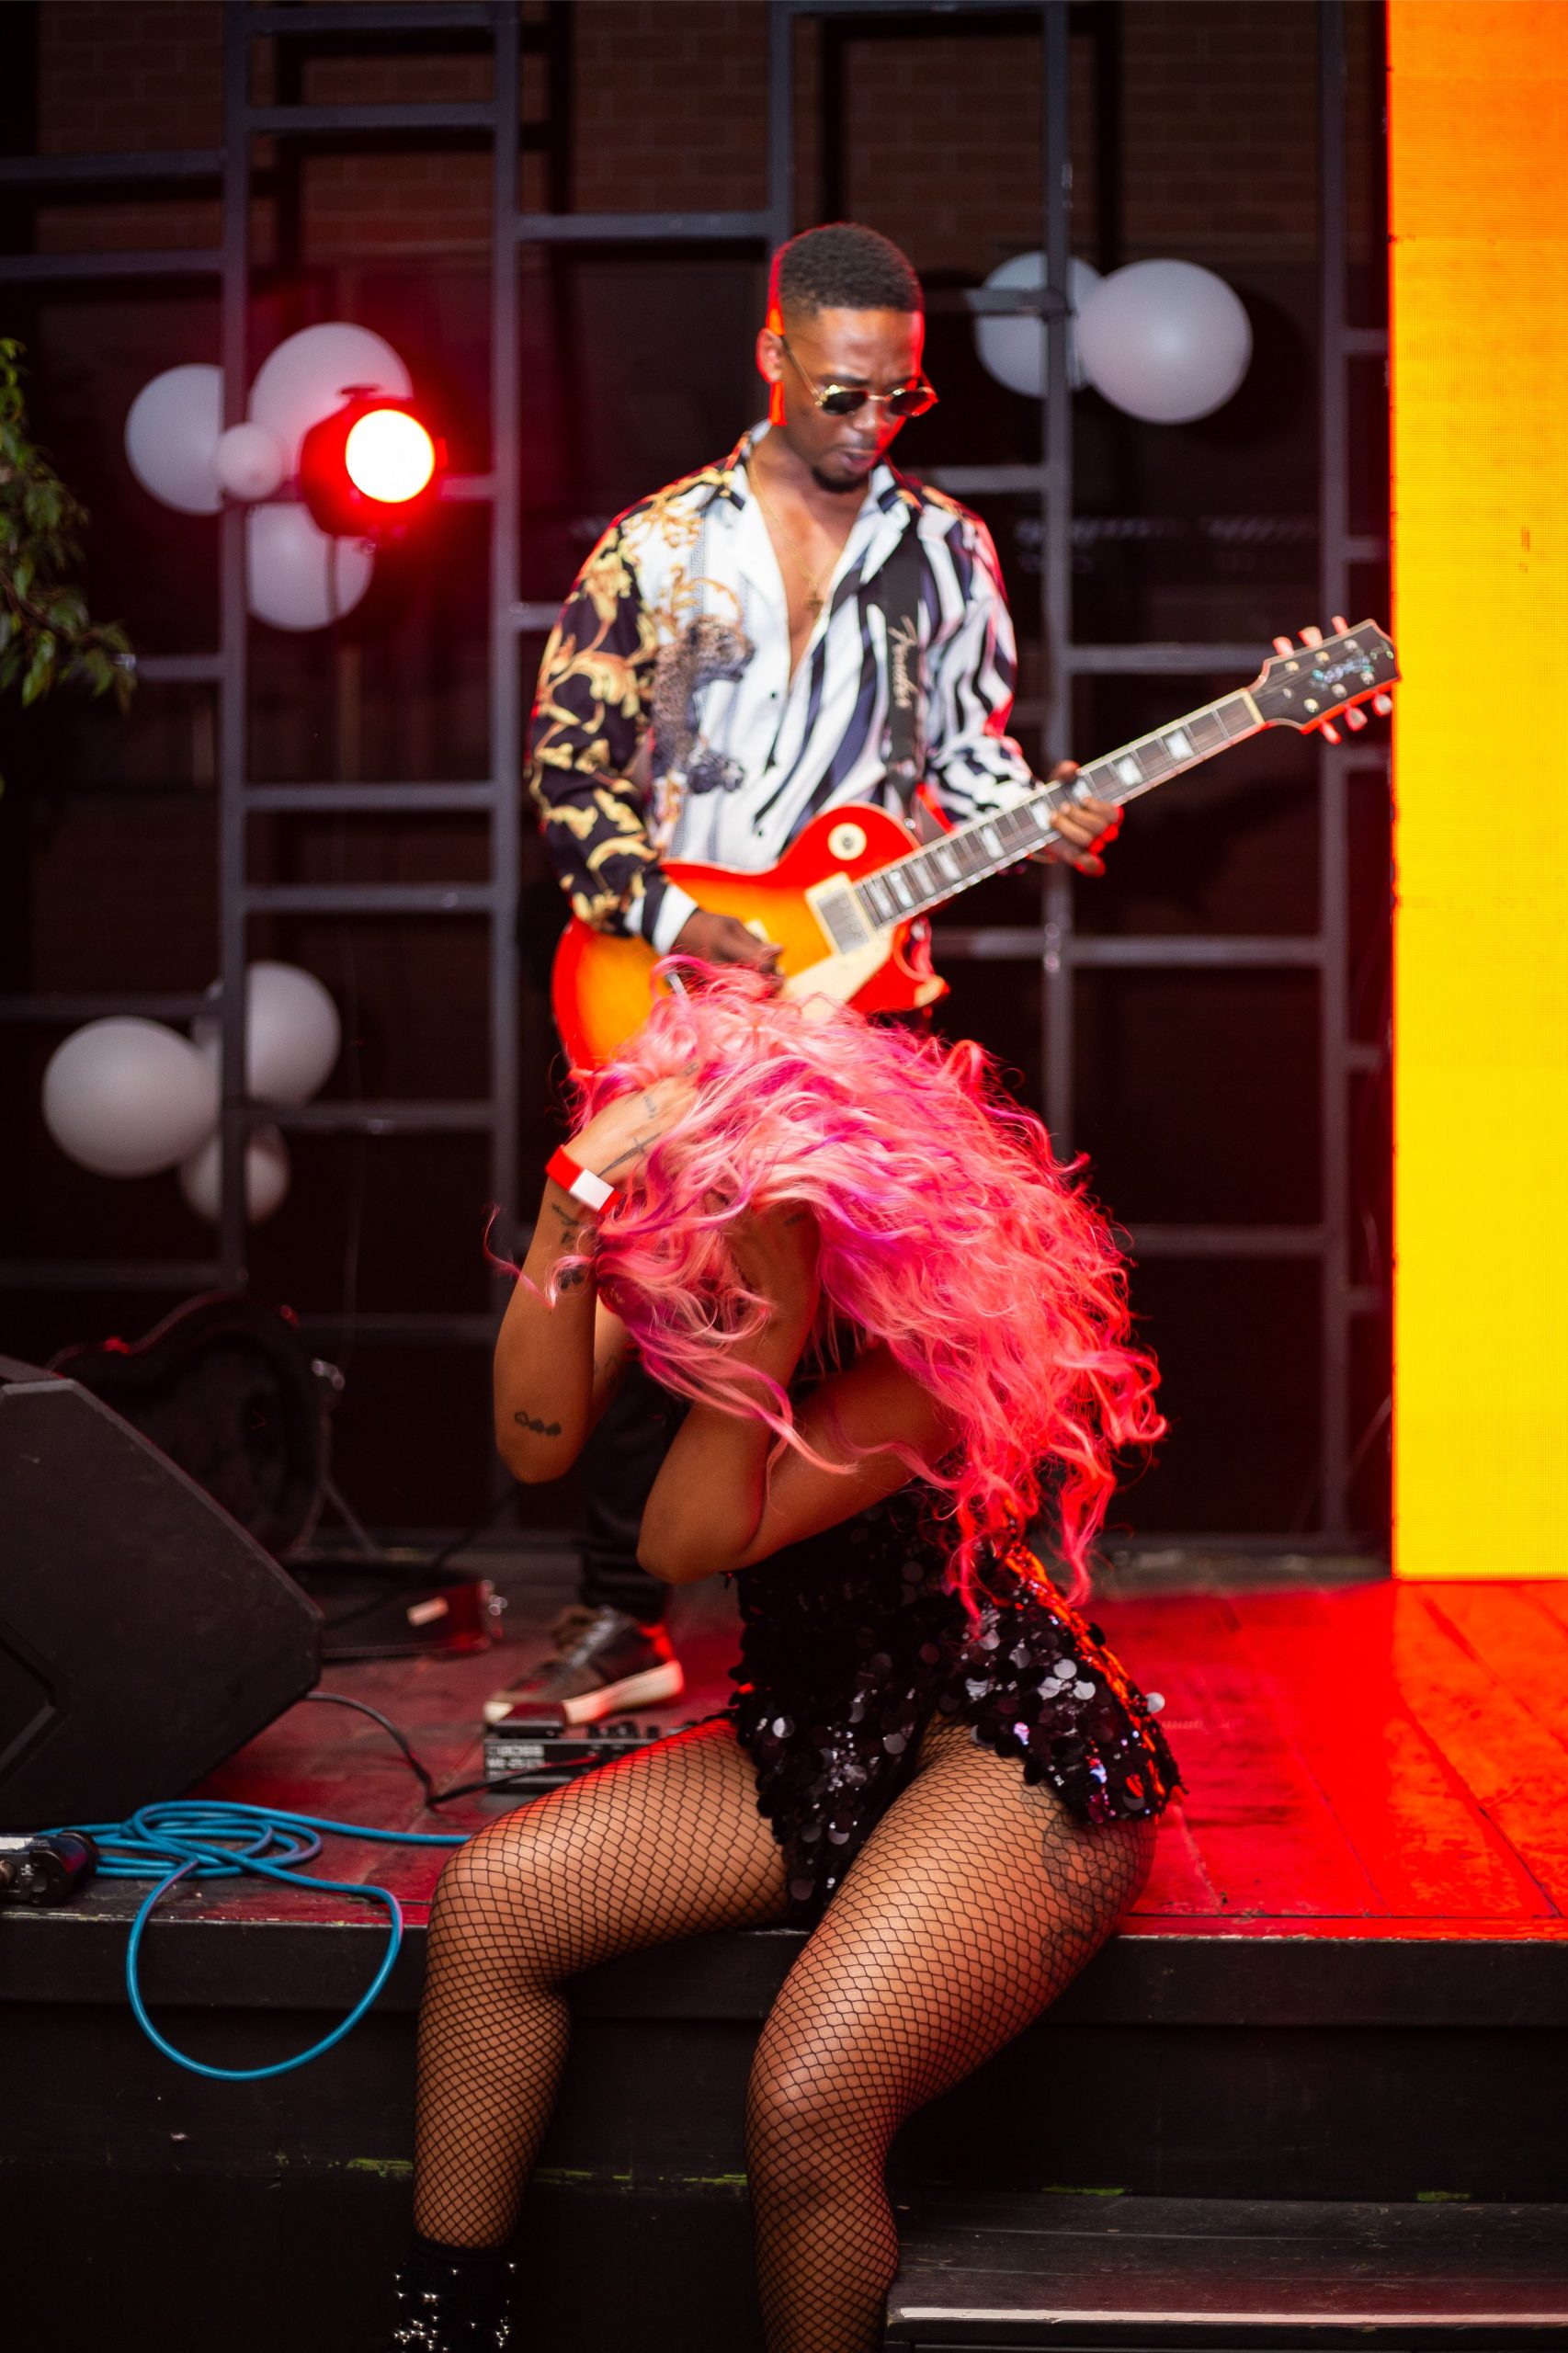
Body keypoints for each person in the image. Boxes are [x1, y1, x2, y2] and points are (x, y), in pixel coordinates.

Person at [394, 972, 1180, 2353]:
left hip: (1002, 1740)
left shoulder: (932, 1344)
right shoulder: (698, 1270)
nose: (712, 1236)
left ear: (841, 1209)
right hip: (817, 1728)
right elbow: (532, 1443)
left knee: (810, 2101)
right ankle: (445, 2329)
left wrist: (765, 1321)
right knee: (493, 1907)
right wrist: (574, 1207)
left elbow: (689, 1538)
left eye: (752, 1208)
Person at [499, 220, 1123, 1723]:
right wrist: (669, 912)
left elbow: (967, 759)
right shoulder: (657, 544)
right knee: (665, 1286)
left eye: (899, 396)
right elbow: (570, 773)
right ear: (773, 357)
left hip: (862, 996)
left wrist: (1046, 815)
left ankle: (887, 1631)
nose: (869, 423)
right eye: (842, 392)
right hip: (674, 984)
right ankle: (621, 1614)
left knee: (891, 1312)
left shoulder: (947, 551)